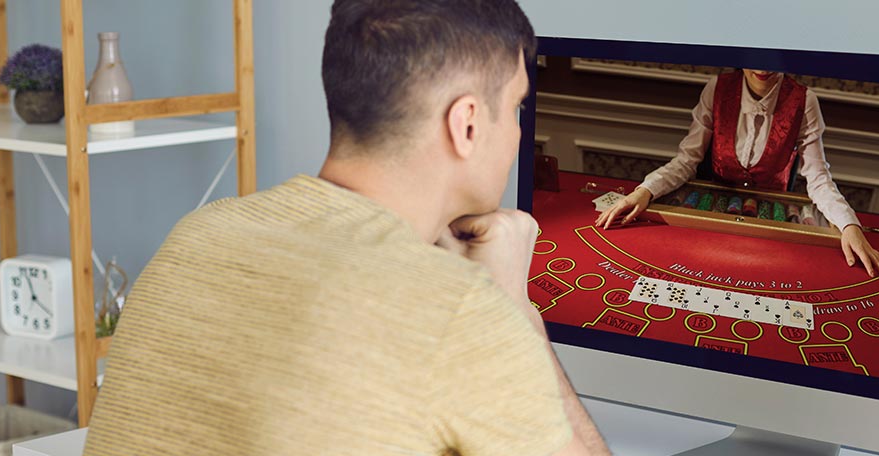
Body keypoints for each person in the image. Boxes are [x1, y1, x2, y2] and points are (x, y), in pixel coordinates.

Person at [83, 1, 608, 455]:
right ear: (466, 123)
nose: (518, 131)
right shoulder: (456, 309)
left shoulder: (196, 236)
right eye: (516, 105)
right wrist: (515, 307)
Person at [595, 69, 879, 277]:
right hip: (713, 216)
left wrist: (849, 225)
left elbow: (818, 179)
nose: (764, 67)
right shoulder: (717, 88)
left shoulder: (806, 100)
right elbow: (687, 160)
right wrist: (643, 191)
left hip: (774, 225)